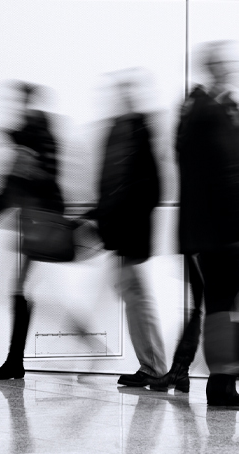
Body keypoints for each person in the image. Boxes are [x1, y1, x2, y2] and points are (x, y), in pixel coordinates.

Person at [172, 41, 239, 407]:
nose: (232, 69)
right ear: (215, 69)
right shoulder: (213, 113)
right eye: (226, 65)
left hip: (208, 229)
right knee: (220, 304)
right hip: (222, 230)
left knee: (218, 304)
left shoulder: (202, 110)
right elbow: (233, 176)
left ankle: (219, 381)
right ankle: (220, 384)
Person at [0, 81, 68, 381]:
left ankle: (18, 360)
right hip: (33, 222)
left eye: (19, 102)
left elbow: (25, 181)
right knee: (18, 289)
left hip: (40, 224)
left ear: (28, 103)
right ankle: (16, 360)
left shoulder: (36, 135)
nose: (14, 108)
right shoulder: (32, 136)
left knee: (18, 289)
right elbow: (11, 184)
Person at [80, 77, 170, 388]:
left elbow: (152, 188)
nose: (121, 100)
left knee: (134, 296)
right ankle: (151, 364)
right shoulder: (119, 132)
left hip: (128, 232)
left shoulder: (138, 132)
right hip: (119, 231)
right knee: (131, 294)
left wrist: (117, 218)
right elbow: (110, 185)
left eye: (126, 94)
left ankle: (154, 366)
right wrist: (100, 215)